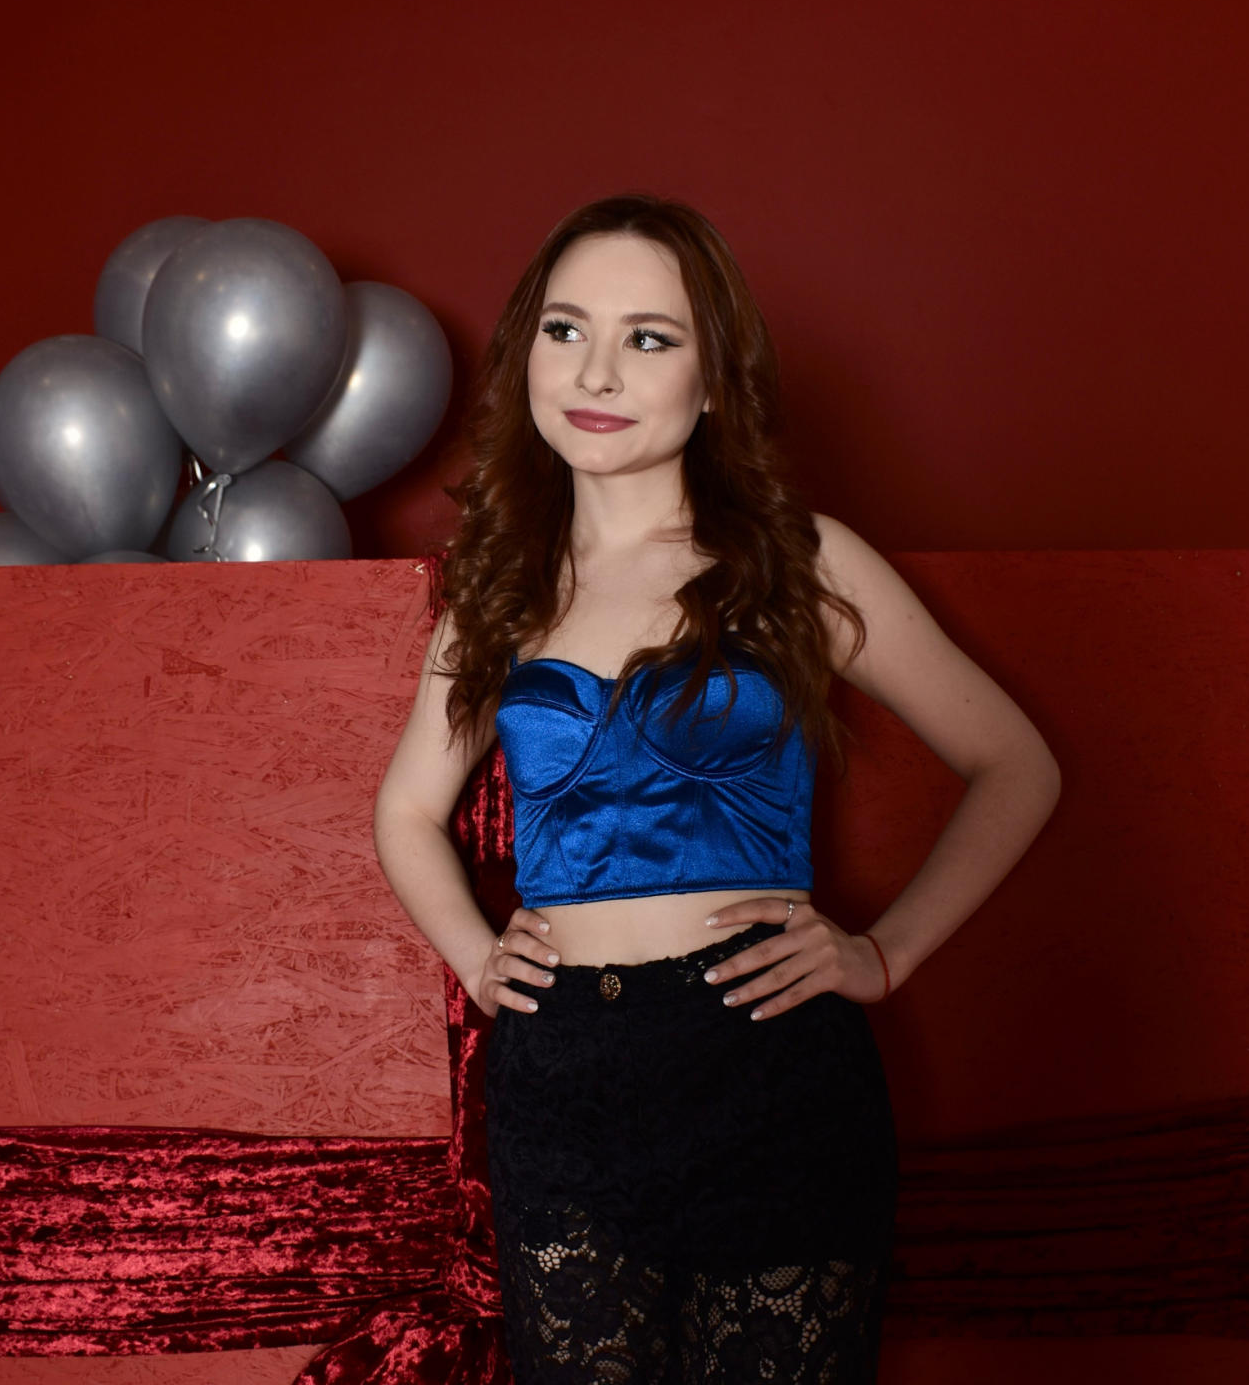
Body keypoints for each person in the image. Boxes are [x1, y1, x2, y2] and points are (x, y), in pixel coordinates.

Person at [372, 194, 1061, 1383]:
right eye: (564, 329)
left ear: (711, 382)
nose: (595, 370)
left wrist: (883, 954)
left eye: (648, 338)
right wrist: (477, 961)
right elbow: (404, 810)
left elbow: (1017, 766)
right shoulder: (498, 583)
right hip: (562, 1082)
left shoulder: (799, 562)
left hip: (769, 1068)